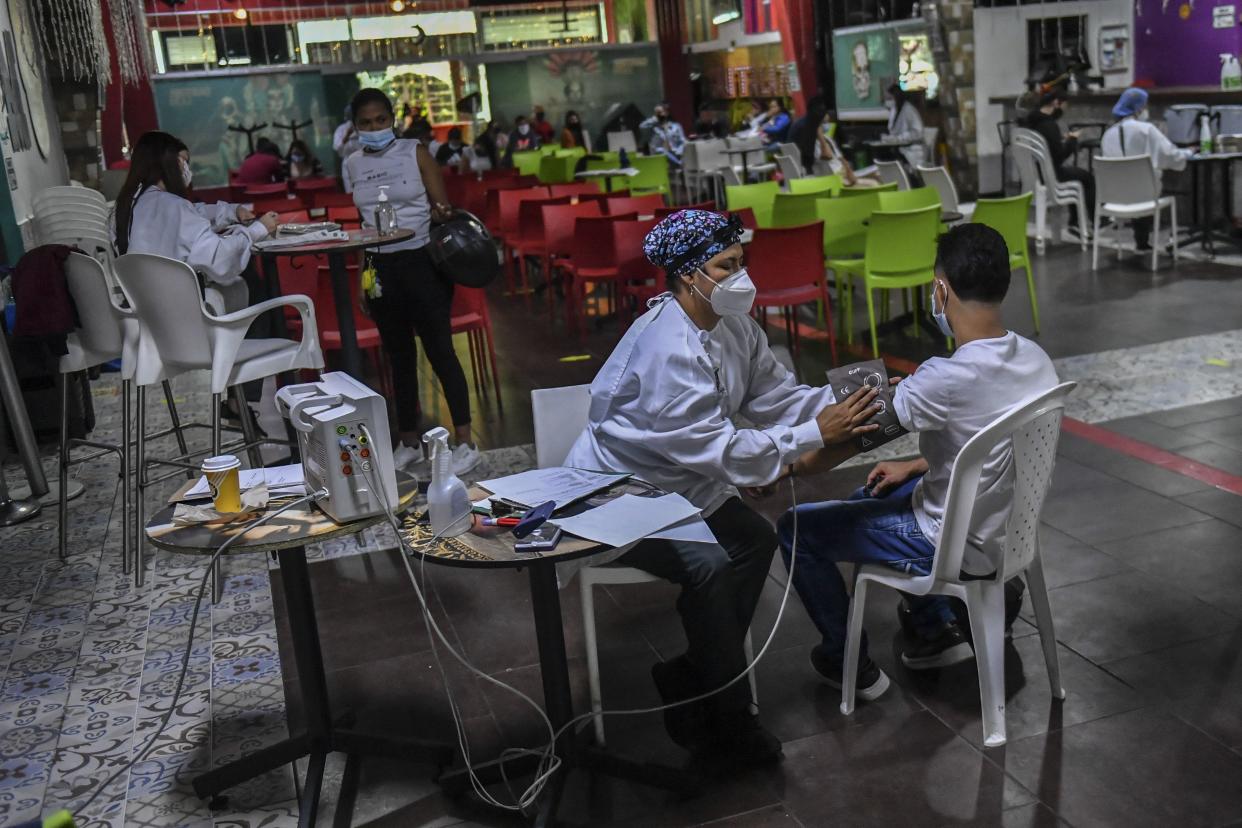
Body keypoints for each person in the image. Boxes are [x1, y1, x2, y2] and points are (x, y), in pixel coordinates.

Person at [564, 209, 884, 766]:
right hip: (623, 492)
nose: (742, 277)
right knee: (710, 565)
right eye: (726, 265)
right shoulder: (668, 350)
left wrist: (853, 402)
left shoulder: (733, 326)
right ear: (691, 275)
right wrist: (812, 434)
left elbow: (777, 400)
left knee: (755, 541)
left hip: (683, 481)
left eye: (741, 262)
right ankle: (731, 718)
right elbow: (722, 451)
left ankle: (692, 675)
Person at [776, 224, 1060, 700]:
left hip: (952, 540)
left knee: (795, 529)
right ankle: (932, 633)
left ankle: (846, 660)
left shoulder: (944, 377)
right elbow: (990, 443)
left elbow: (849, 441)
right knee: (876, 492)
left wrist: (784, 467)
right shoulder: (1035, 358)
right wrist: (916, 466)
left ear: (940, 289)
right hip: (1009, 528)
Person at [342, 88, 480, 475]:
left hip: (422, 261)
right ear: (356, 128)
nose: (374, 128)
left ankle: (466, 441)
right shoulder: (352, 163)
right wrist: (361, 281)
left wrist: (442, 211)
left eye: (381, 121)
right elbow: (363, 225)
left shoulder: (415, 152)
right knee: (398, 358)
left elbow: (443, 210)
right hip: (380, 267)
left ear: (393, 120)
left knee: (440, 352)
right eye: (366, 123)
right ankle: (409, 443)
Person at [114, 131, 278, 412]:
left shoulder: (126, 209)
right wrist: (257, 230)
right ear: (168, 163)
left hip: (150, 331)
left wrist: (231, 212)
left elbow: (193, 215)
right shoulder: (174, 207)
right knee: (254, 289)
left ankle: (239, 399)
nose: (187, 169)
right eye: (184, 161)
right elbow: (220, 259)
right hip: (191, 333)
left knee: (239, 286)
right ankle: (242, 398)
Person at [1100, 86, 1192, 251]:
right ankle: (1143, 241)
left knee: (1133, 184)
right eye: (1144, 105)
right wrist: (1188, 153)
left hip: (1114, 199)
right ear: (1139, 108)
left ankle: (1140, 241)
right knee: (1146, 185)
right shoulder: (1147, 130)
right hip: (1146, 196)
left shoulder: (1108, 135)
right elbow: (1169, 155)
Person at [1024, 88, 1094, 230]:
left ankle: (1074, 222)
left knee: (1075, 174)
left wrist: (1061, 139)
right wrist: (1072, 140)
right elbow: (1060, 156)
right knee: (1086, 177)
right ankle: (1093, 219)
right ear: (1056, 103)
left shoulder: (1032, 122)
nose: (1063, 110)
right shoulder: (1049, 124)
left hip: (1036, 176)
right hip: (1051, 176)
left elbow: (1046, 145)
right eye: (1064, 106)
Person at [789, 97, 868, 186]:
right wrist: (821, 138)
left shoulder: (807, 127)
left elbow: (839, 159)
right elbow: (827, 156)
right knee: (872, 181)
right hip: (832, 176)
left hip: (830, 172)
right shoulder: (814, 139)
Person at [883, 83, 925, 168]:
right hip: (898, 148)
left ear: (896, 97)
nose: (887, 101)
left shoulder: (909, 110)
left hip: (912, 149)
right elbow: (892, 130)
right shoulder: (894, 110)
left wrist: (900, 138)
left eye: (889, 98)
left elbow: (917, 132)